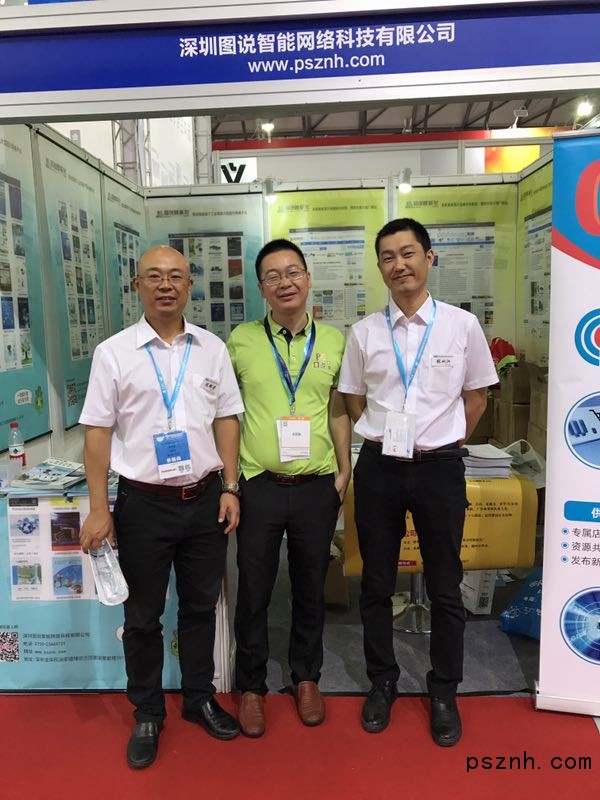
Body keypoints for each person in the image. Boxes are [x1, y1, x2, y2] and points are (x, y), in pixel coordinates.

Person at [79, 245, 244, 769]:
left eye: (175, 276)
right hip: (143, 505)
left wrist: (231, 486)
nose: (165, 285)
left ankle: (199, 698)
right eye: (154, 276)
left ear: (190, 285)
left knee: (200, 607)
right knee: (142, 615)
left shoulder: (212, 349)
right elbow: (98, 433)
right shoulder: (114, 353)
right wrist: (99, 508)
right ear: (138, 286)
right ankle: (148, 711)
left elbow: (227, 419)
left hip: (203, 500)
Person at [338, 218, 497, 746]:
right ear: (379, 266)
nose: (399, 264)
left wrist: (441, 441)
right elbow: (354, 398)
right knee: (376, 582)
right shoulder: (364, 333)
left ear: (430, 258)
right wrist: (386, 436)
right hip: (380, 467)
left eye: (408, 253)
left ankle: (444, 690)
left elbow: (477, 397)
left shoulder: (461, 326)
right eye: (388, 256)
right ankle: (382, 681)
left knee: (446, 584)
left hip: (439, 468)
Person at [227, 239, 351, 737]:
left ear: (308, 279)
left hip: (317, 484)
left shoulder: (335, 341)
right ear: (262, 288)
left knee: (310, 587)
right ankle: (251, 685)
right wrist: (230, 481)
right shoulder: (240, 341)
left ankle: (306, 677)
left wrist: (345, 469)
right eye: (273, 275)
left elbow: (338, 410)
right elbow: (225, 415)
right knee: (254, 589)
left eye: (293, 271)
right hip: (260, 484)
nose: (285, 282)